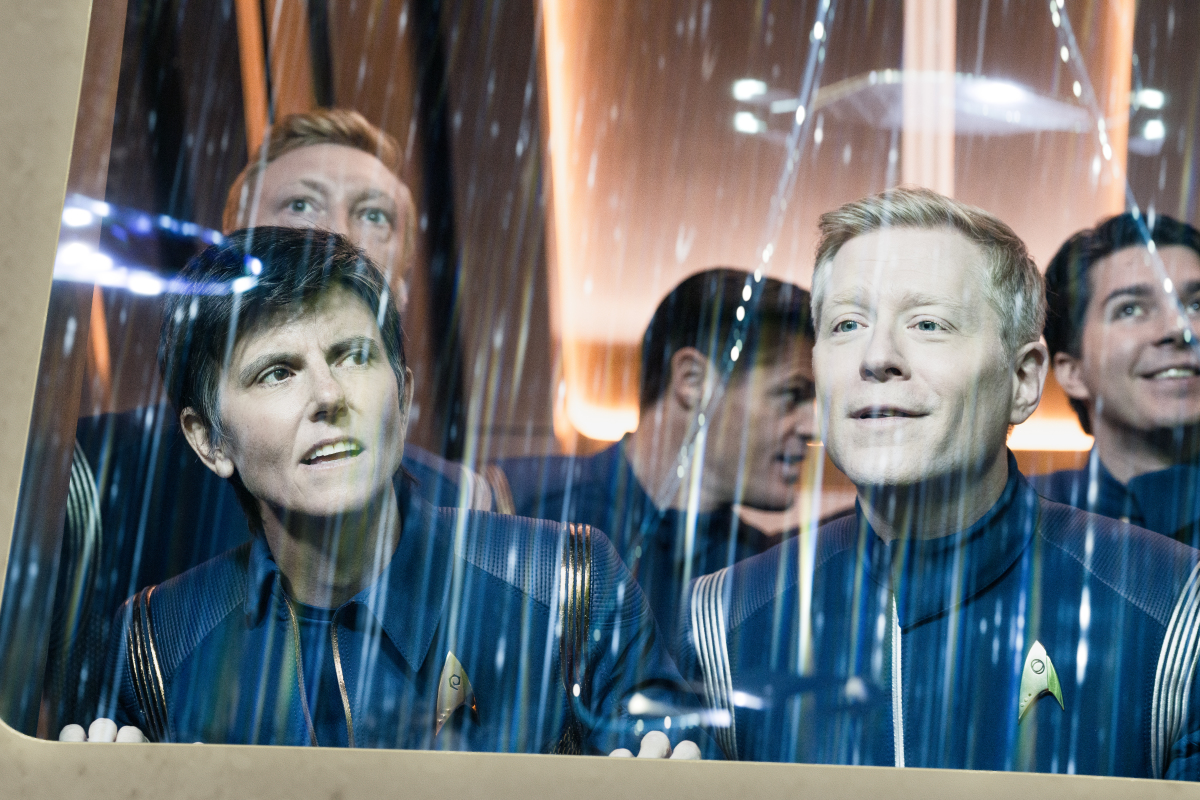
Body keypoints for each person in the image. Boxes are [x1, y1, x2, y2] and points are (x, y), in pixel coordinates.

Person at [62, 227, 702, 757]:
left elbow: (681, 761)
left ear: (404, 395)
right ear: (209, 441)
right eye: (278, 372)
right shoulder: (154, 645)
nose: (329, 396)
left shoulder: (567, 585)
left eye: (354, 356)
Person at [679, 188, 1200, 779]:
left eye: (928, 323)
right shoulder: (724, 621)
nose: (877, 356)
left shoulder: (1175, 612)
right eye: (847, 324)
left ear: (1024, 380)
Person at [46, 111, 496, 733]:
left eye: (374, 216)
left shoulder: (469, 503)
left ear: (404, 283)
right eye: (301, 206)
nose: (338, 235)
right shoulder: (98, 474)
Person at [493, 269, 816, 650]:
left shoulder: (769, 575)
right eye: (793, 394)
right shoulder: (517, 509)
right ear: (692, 381)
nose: (814, 428)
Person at [1033, 213, 1200, 545]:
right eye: (1130, 309)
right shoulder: (1024, 520)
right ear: (1072, 372)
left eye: (1196, 305)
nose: (1178, 328)